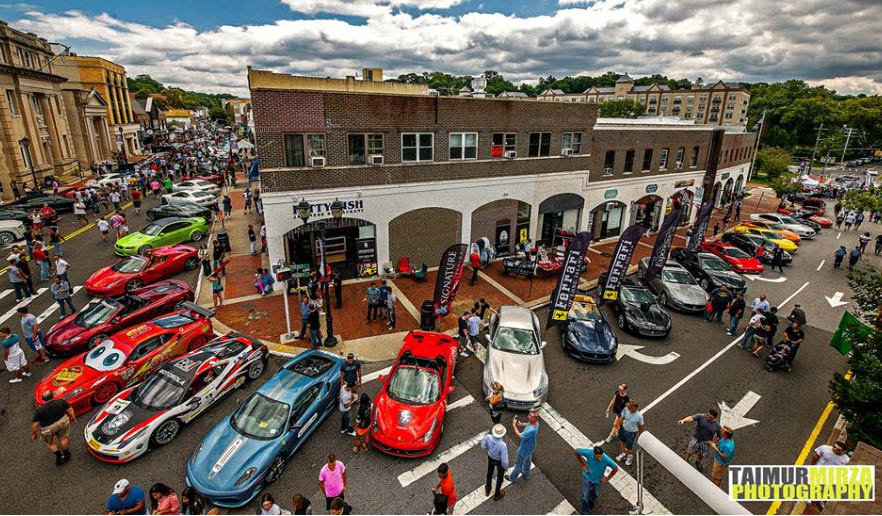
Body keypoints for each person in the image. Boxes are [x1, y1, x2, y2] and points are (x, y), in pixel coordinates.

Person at [573, 445, 619, 515]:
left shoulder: (606, 459)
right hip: (587, 477)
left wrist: (607, 478)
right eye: (598, 457)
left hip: (598, 481)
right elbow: (576, 451)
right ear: (594, 454)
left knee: (595, 494)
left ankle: (591, 502)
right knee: (585, 496)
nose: (600, 459)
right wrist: (583, 464)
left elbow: (615, 468)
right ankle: (585, 512)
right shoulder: (589, 453)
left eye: (601, 456)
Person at [32, 390, 74, 465]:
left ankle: (59, 456)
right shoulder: (61, 402)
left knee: (50, 443)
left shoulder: (39, 411)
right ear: (53, 396)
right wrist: (73, 417)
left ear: (43, 399)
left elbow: (35, 425)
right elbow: (70, 410)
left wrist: (34, 434)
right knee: (63, 438)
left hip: (47, 429)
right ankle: (66, 454)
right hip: (62, 422)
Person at [507, 410, 540, 483]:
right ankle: (526, 474)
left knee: (518, 464)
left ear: (535, 418)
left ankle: (513, 478)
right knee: (528, 460)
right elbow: (528, 424)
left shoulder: (531, 430)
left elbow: (519, 435)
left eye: (530, 416)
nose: (528, 417)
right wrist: (521, 424)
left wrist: (514, 425)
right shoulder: (536, 423)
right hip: (531, 447)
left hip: (524, 449)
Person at [480, 424, 509, 501]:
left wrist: (489, 450)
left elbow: (483, 446)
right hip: (499, 461)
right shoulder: (503, 445)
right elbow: (504, 460)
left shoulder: (488, 437)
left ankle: (487, 489)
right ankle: (497, 494)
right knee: (500, 478)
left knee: (489, 473)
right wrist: (505, 468)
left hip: (490, 458)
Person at [615, 400, 645, 466]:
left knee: (629, 447)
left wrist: (640, 436)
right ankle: (624, 453)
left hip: (631, 433)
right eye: (628, 407)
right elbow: (621, 418)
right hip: (623, 430)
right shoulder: (626, 409)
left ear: (635, 408)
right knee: (622, 442)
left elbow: (641, 427)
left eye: (630, 408)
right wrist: (617, 427)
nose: (629, 409)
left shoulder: (639, 416)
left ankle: (629, 456)